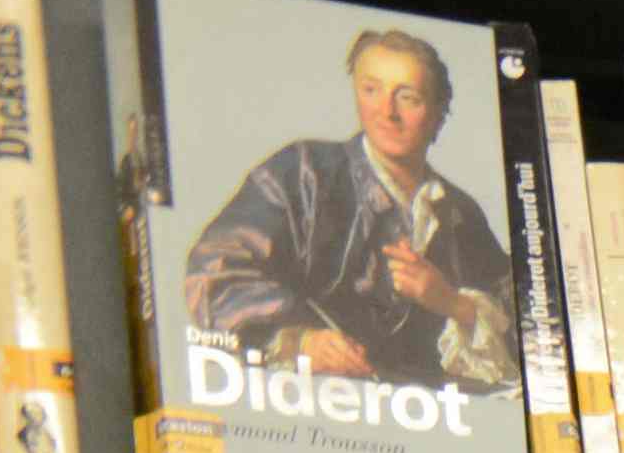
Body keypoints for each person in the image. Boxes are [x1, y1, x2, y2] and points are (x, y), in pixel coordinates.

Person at [180, 23, 516, 390]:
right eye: (372, 90)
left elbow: (525, 332)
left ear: (437, 113)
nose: (387, 112)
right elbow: (214, 268)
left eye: (408, 98)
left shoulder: (459, 214)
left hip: (422, 419)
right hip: (306, 401)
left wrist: (452, 303)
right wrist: (301, 340)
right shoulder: (305, 173)